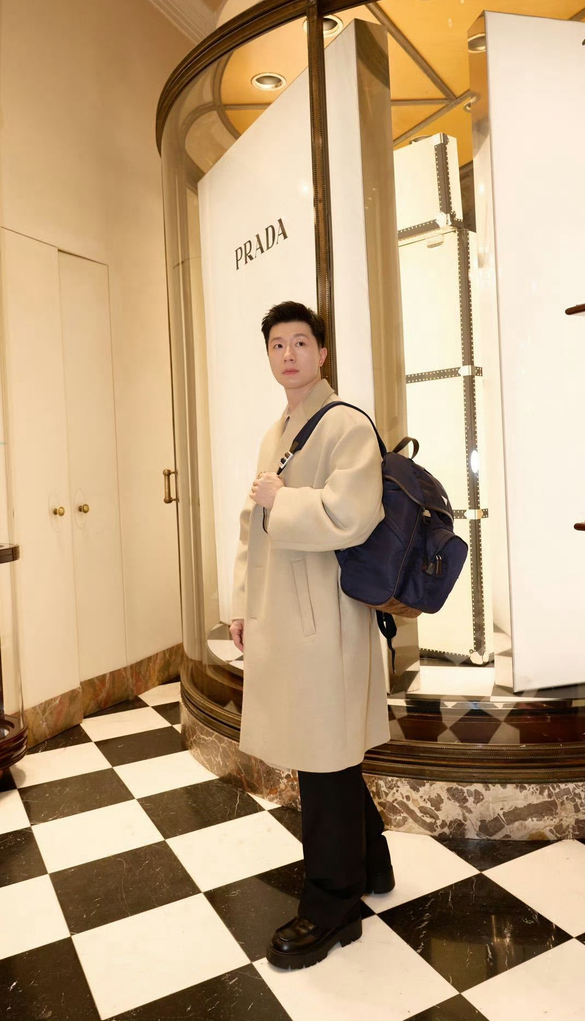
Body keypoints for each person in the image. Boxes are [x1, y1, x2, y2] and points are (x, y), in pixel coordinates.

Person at [229, 301, 394, 970]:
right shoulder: (276, 432)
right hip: (284, 613)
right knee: (327, 752)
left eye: (301, 342)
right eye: (278, 344)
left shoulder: (346, 424)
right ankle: (371, 861)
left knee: (324, 755)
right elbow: (253, 526)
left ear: (322, 354)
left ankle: (332, 906)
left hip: (326, 616)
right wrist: (242, 606)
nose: (289, 354)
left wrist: (283, 500)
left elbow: (355, 514)